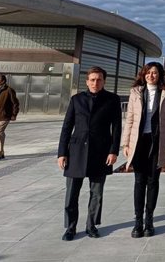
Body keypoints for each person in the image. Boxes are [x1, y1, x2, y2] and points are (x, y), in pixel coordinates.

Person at [57, 66, 121, 241]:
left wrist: (114, 151)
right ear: (87, 81)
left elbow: (116, 128)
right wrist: (62, 153)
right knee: (71, 194)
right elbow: (67, 127)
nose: (95, 82)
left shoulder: (112, 100)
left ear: (104, 81)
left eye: (99, 79)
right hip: (76, 152)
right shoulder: (76, 100)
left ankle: (91, 225)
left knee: (97, 193)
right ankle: (70, 227)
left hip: (100, 153)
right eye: (92, 79)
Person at [121, 62, 165, 238]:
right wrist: (126, 143)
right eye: (148, 72)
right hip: (139, 142)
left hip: (157, 142)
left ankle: (149, 220)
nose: (151, 75)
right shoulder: (136, 92)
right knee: (139, 181)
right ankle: (138, 222)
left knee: (153, 181)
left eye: (155, 73)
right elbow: (129, 118)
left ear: (160, 75)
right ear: (143, 74)